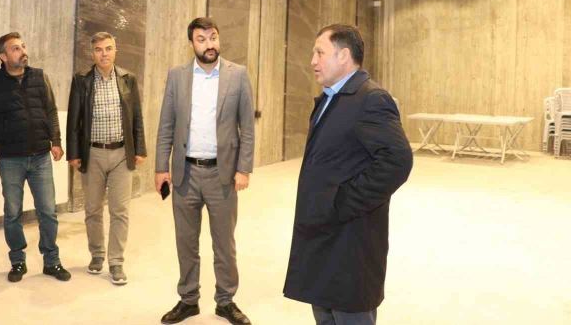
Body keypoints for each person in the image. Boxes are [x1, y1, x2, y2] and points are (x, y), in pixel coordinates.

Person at [283, 24, 413, 325]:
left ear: (343, 56)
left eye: (320, 53)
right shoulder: (330, 97)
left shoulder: (370, 99)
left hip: (350, 239)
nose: (312, 61)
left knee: (350, 313)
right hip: (323, 233)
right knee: (325, 312)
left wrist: (343, 201)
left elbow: (398, 160)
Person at [155, 17, 254, 325]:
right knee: (186, 241)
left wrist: (244, 168)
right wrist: (161, 167)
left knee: (224, 243)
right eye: (202, 39)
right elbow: (166, 124)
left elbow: (247, 127)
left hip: (221, 174)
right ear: (192, 43)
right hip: (185, 173)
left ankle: (226, 301)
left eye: (213, 37)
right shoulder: (177, 76)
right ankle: (188, 300)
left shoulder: (238, 75)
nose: (209, 44)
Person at [0, 32, 71, 283]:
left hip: (41, 157)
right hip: (10, 161)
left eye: (23, 46)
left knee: (48, 211)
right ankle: (17, 261)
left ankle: (51, 261)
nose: (23, 51)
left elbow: (50, 111)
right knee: (13, 213)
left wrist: (56, 141)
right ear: (3, 56)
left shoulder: (39, 77)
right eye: (16, 48)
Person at [66, 31, 147, 285]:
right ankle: (97, 254)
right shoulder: (81, 80)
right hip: (93, 154)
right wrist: (74, 153)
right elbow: (74, 120)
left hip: (122, 153)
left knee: (120, 210)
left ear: (115, 51)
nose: (104, 54)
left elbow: (136, 116)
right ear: (93, 53)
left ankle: (116, 262)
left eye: (108, 48)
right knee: (92, 209)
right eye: (99, 49)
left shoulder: (128, 79)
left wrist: (140, 148)